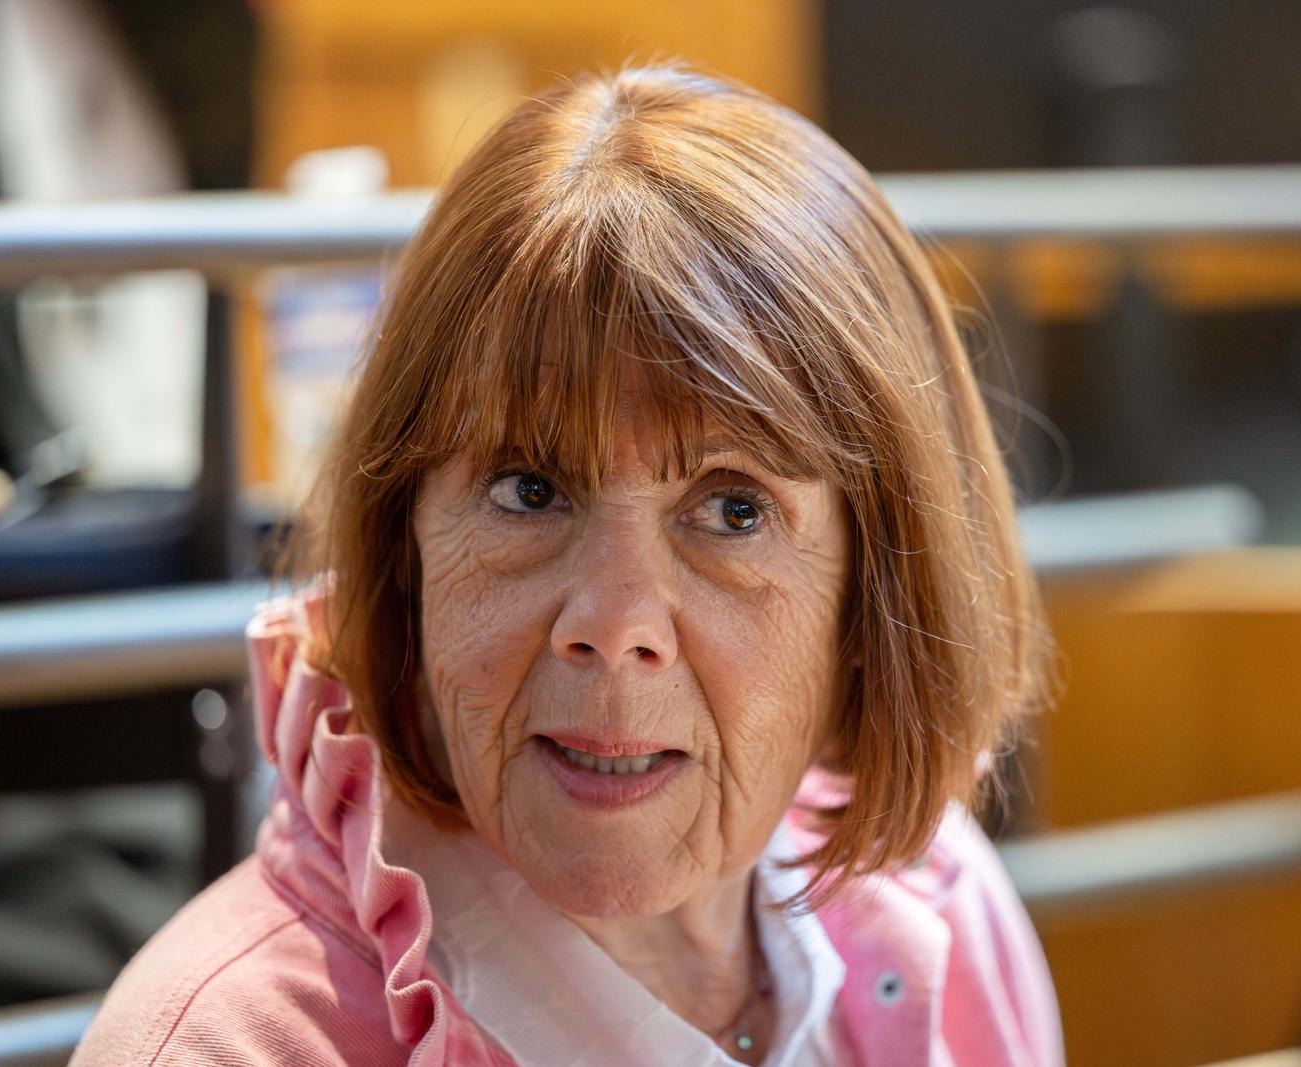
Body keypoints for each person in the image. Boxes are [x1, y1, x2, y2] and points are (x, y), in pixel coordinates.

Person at [73, 65, 1064, 1066]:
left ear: (874, 588)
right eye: (529, 489)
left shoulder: (939, 905)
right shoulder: (223, 1043)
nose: (614, 617)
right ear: (403, 547)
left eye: (731, 509)